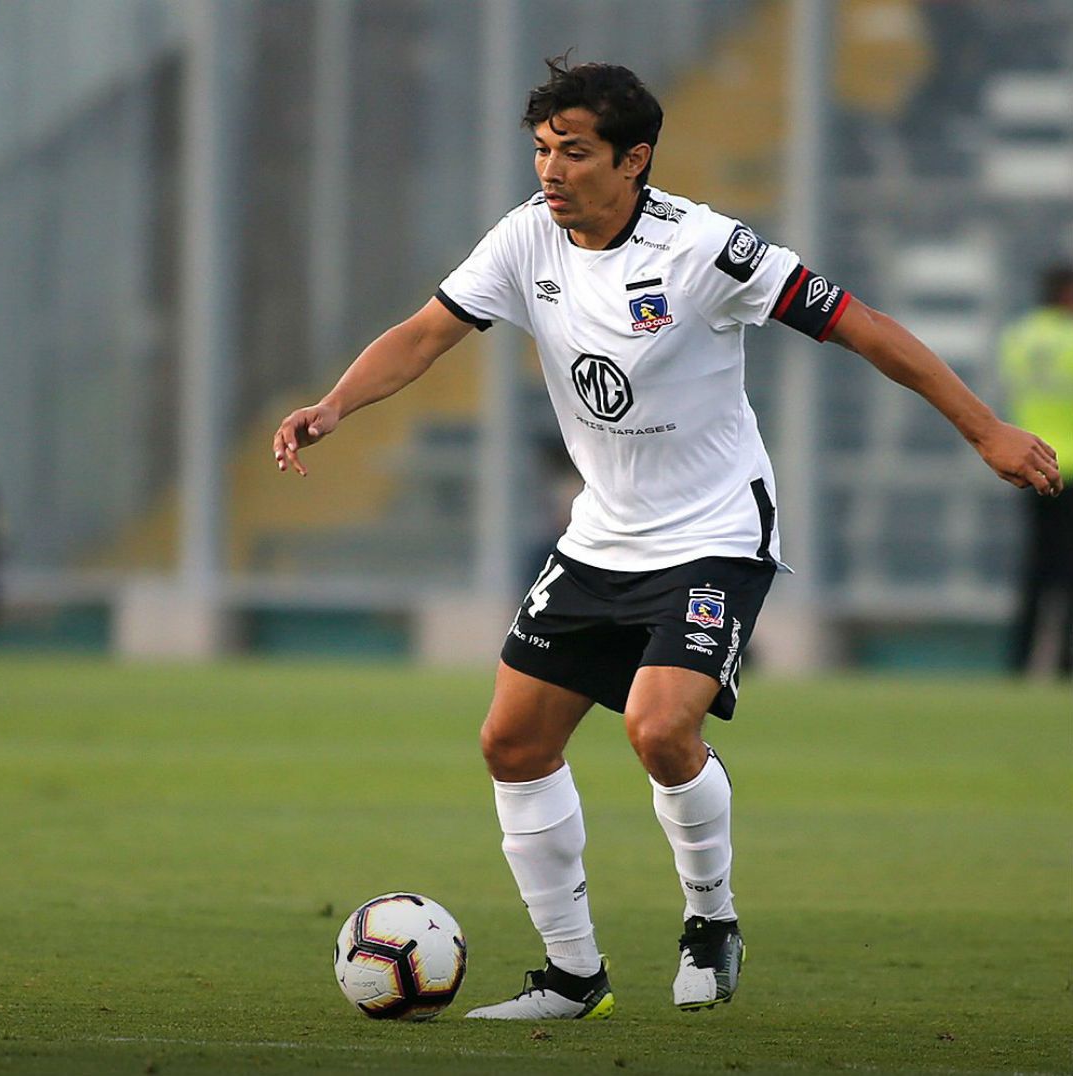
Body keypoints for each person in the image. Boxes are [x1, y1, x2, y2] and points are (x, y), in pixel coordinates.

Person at [272, 57, 1062, 1020]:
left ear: (634, 158)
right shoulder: (528, 239)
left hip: (714, 531)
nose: (551, 173)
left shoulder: (707, 250)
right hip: (601, 537)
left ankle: (710, 918)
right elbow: (425, 332)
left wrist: (985, 427)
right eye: (541, 152)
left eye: (574, 153)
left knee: (657, 727)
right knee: (512, 744)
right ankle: (573, 977)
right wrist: (336, 405)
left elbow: (862, 326)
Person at [1000, 264, 1073, 677]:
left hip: (1028, 462)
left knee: (1035, 568)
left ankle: (1020, 658)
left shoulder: (1019, 337)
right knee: (1067, 571)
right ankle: (1064, 661)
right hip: (1070, 466)